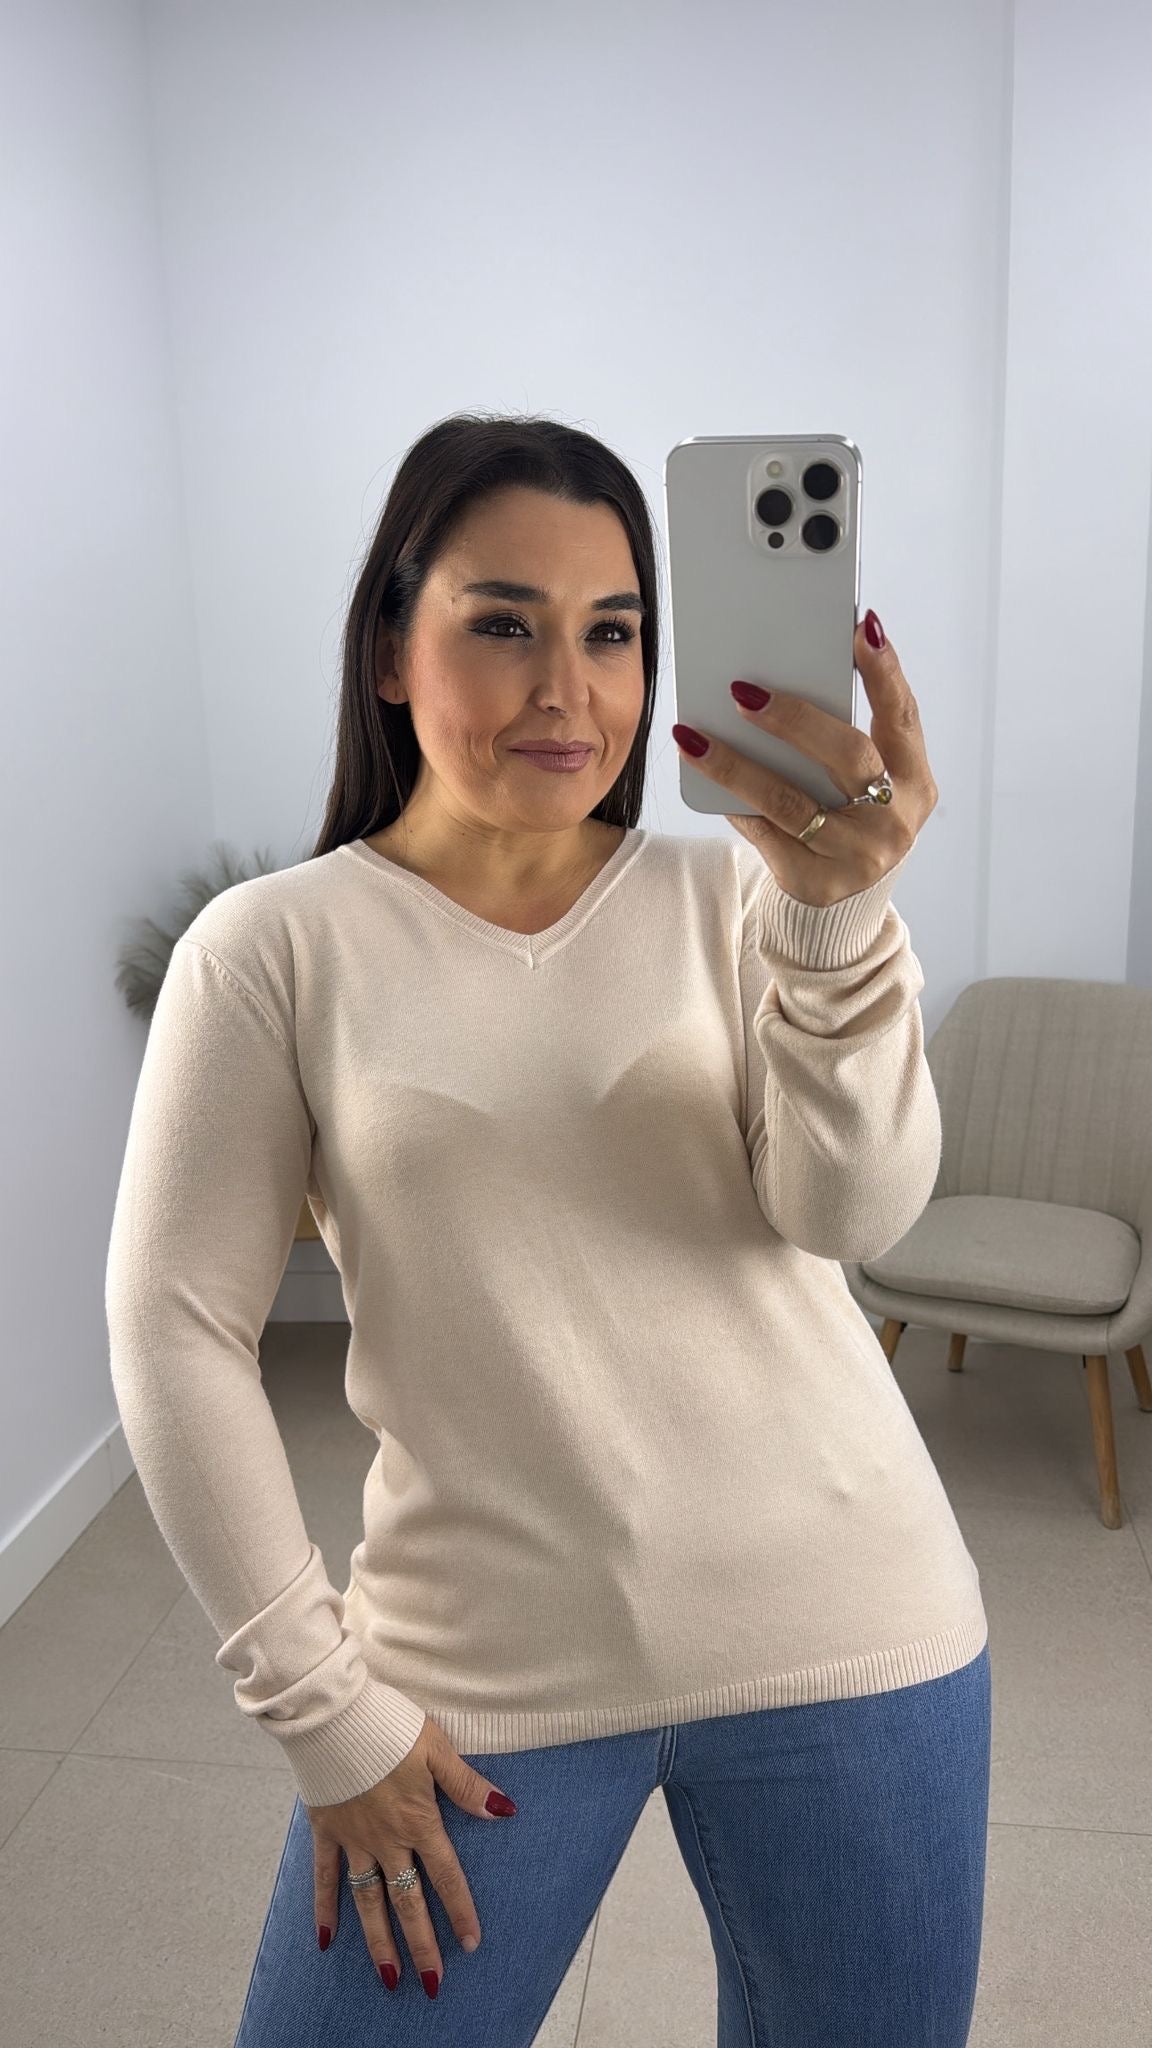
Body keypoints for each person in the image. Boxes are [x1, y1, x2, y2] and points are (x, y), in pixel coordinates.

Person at [105, 413, 990, 2047]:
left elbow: (852, 1213)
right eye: (503, 624)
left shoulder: (748, 897)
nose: (567, 690)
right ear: (391, 647)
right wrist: (320, 1708)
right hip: (477, 1670)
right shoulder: (273, 950)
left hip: (854, 1629)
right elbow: (176, 1329)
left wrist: (839, 922)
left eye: (614, 631)